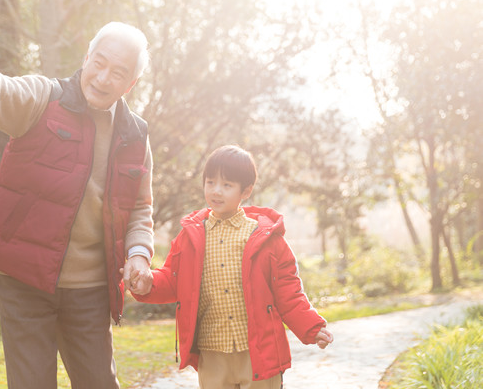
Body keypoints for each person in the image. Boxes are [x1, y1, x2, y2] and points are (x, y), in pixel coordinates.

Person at [0, 22, 154, 389]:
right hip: (24, 279)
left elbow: (140, 209)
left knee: (99, 383)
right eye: (98, 63)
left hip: (89, 288)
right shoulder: (44, 98)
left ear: (130, 84)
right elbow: (2, 90)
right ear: (86, 58)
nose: (103, 78)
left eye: (118, 73)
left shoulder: (135, 136)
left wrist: (139, 253)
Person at [132, 145, 333, 389]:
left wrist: (312, 327)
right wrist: (147, 283)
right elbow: (172, 279)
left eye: (227, 185)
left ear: (245, 191)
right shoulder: (190, 237)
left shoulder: (267, 239)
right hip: (212, 350)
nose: (216, 191)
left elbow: (289, 292)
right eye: (210, 182)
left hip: (257, 351)